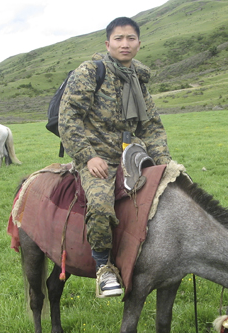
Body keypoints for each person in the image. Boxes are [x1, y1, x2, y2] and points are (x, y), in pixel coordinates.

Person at [59, 17, 171, 297]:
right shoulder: (90, 72)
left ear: (139, 44)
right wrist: (87, 157)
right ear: (108, 43)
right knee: (99, 203)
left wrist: (164, 161)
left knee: (171, 192)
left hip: (131, 155)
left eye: (130, 38)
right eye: (119, 38)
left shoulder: (138, 80)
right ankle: (103, 267)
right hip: (97, 158)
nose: (125, 44)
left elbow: (151, 126)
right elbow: (68, 117)